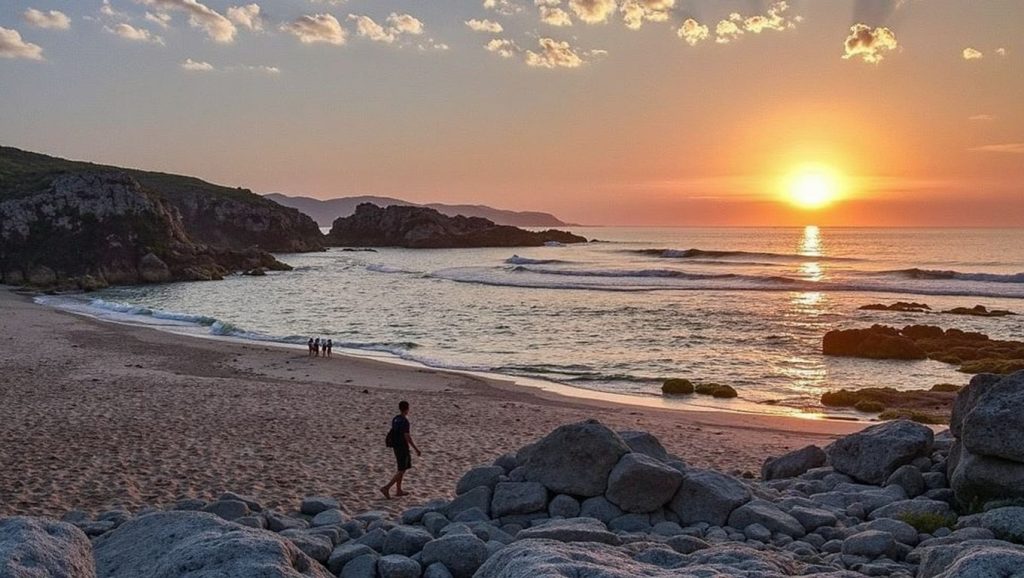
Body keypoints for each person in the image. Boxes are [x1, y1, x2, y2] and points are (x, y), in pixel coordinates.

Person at [381, 400, 421, 499]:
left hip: (396, 445)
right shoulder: (405, 421)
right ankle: (387, 487)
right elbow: (407, 436)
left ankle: (399, 490)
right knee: (402, 470)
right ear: (407, 409)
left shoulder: (396, 419)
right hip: (402, 446)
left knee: (400, 468)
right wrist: (416, 449)